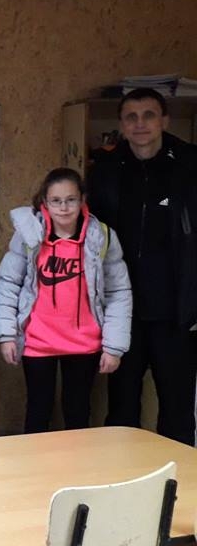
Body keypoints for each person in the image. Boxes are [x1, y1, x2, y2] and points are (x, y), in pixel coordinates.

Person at [87, 87, 197, 445]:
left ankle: (182, 479)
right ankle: (123, 477)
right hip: (123, 312)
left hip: (176, 314)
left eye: (148, 115)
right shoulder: (105, 170)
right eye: (131, 117)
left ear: (164, 120)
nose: (140, 124)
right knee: (121, 412)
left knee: (177, 412)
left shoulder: (190, 166)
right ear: (121, 124)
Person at [0, 168, 132, 433]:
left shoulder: (101, 237)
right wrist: (6, 335)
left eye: (71, 199)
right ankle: (36, 462)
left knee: (77, 413)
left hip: (84, 342)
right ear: (44, 202)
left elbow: (118, 293)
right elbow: (8, 284)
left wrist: (114, 346)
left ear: (82, 200)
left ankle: (77, 463)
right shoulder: (29, 236)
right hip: (37, 341)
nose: (64, 207)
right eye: (56, 200)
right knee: (38, 411)